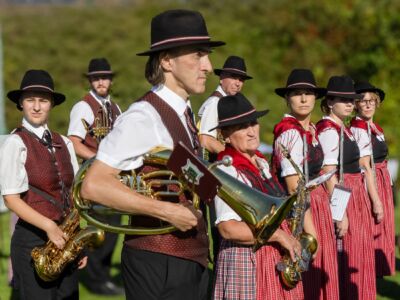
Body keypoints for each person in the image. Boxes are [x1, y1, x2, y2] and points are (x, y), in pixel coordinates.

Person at [80, 9, 225, 300]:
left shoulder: (183, 113)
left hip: (189, 260)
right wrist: (168, 211)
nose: (208, 66)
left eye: (207, 55)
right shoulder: (142, 116)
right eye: (197, 55)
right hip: (158, 264)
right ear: (167, 61)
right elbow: (93, 185)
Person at [0, 69, 86, 300]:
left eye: (43, 100)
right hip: (32, 242)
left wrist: (78, 240)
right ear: (21, 103)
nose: (37, 107)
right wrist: (49, 226)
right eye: (30, 100)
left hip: (65, 240)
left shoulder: (65, 142)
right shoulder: (15, 143)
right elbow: (11, 199)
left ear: (51, 105)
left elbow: (74, 194)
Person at [211, 93, 302, 300]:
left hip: (271, 256)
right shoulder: (227, 171)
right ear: (225, 135)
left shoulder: (261, 163)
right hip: (246, 261)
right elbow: (228, 228)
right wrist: (279, 236)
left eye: (253, 123)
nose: (252, 131)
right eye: (242, 127)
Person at [273, 69, 339, 300]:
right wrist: (311, 232)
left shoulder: (309, 130)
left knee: (320, 275)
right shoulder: (289, 133)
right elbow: (294, 188)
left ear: (315, 98)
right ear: (287, 98)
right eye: (297, 94)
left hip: (316, 203)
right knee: (304, 273)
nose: (303, 99)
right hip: (298, 211)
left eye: (308, 94)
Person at [316, 75, 378, 300]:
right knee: (345, 256)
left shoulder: (343, 128)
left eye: (352, 99)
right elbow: (328, 172)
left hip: (354, 193)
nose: (351, 104)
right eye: (344, 99)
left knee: (357, 254)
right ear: (330, 102)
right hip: (343, 195)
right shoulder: (329, 130)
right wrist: (339, 211)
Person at [67, 57, 123, 295]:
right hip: (93, 177)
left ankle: (102, 276)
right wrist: (98, 160)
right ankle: (95, 279)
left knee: (114, 229)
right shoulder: (84, 106)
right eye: (96, 77)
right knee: (101, 230)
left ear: (110, 80)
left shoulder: (115, 107)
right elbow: (74, 142)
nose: (101, 81)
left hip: (113, 178)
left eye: (105, 77)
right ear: (90, 80)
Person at [350, 81, 395, 277]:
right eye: (363, 101)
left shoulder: (376, 128)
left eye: (372, 101)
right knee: (371, 229)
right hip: (370, 183)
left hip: (382, 181)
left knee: (382, 232)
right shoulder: (358, 129)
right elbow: (365, 166)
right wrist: (375, 198)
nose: (368, 105)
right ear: (356, 105)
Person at [198, 55, 252, 157]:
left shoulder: (226, 102)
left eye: (241, 80)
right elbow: (206, 140)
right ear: (221, 78)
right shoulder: (215, 102)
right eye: (233, 77)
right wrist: (236, 158)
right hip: (210, 163)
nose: (238, 83)